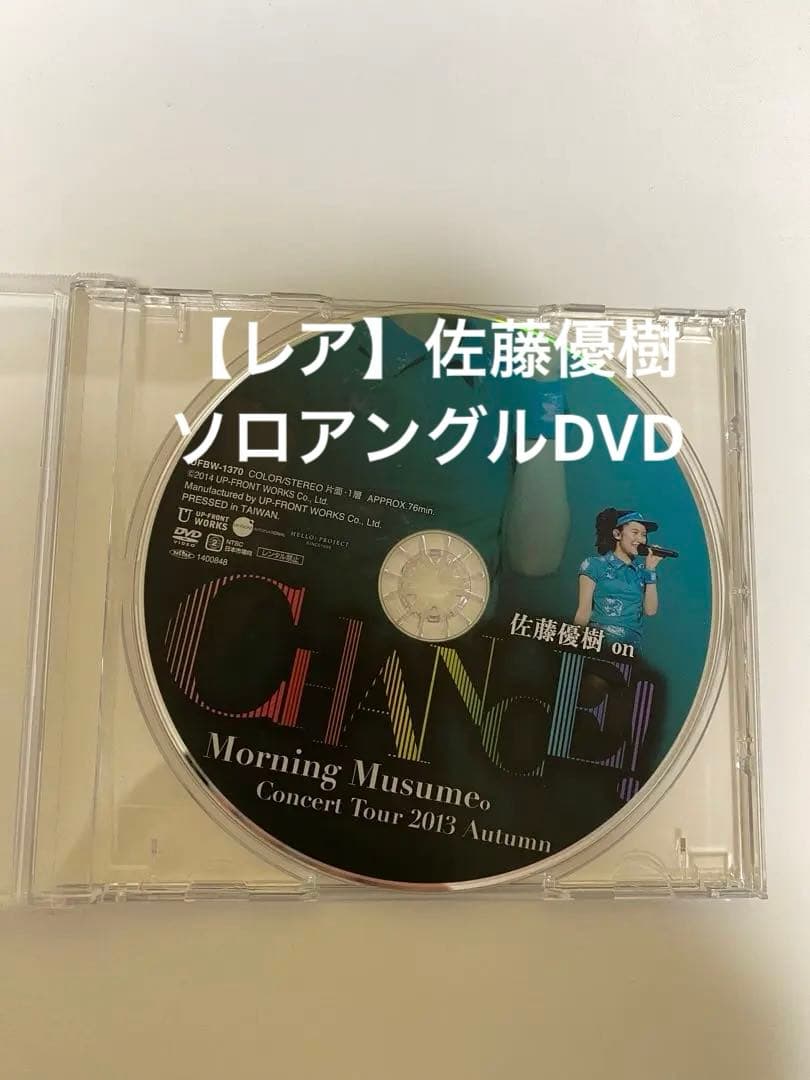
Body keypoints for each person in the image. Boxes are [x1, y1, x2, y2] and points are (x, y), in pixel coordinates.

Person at [573, 508, 663, 652]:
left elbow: (650, 611)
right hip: (598, 642)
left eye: (644, 535)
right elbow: (583, 612)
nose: (640, 539)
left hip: (630, 648)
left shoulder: (644, 571)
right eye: (635, 532)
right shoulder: (594, 565)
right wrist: (573, 645)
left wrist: (651, 570)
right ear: (617, 534)